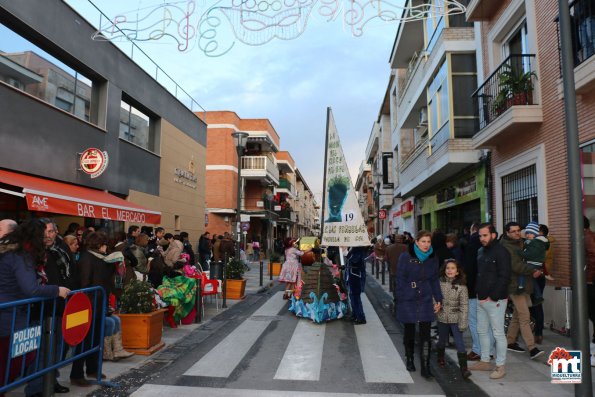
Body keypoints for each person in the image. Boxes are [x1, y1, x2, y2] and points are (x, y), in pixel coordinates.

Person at [0, 220, 70, 395]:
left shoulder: (14, 252)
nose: (46, 238)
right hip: (11, 315)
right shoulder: (20, 255)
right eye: (42, 235)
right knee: (17, 359)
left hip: (12, 313)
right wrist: (56, 290)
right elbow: (30, 288)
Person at [396, 230, 443, 378]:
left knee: (425, 333)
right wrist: (401, 297)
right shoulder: (405, 256)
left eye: (428, 242)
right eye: (423, 241)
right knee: (409, 331)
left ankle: (426, 366)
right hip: (408, 298)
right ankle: (409, 359)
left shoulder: (433, 257)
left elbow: (434, 279)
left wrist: (439, 298)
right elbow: (400, 279)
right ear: (416, 242)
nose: (426, 245)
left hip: (425, 298)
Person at [469, 223, 511, 380]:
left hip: (495, 300)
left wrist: (493, 296)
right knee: (481, 331)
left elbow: (505, 276)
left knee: (498, 333)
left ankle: (500, 366)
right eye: (480, 235)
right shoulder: (480, 251)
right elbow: (480, 274)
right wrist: (478, 294)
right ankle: (485, 361)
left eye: (485, 235)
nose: (482, 238)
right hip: (481, 298)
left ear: (493, 235)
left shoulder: (502, 252)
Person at [500, 222, 544, 360]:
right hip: (514, 286)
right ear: (507, 233)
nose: (517, 233)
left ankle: (510, 341)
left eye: (518, 230)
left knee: (518, 315)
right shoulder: (507, 247)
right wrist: (532, 270)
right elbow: (516, 266)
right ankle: (532, 348)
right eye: (513, 231)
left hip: (524, 284)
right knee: (525, 316)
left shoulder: (521, 243)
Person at [463, 223, 495, 361]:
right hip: (490, 290)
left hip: (475, 290)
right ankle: (491, 350)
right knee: (488, 322)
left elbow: (470, 269)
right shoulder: (493, 247)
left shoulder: (472, 245)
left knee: (474, 320)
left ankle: (478, 349)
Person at [435, 259, 471, 379]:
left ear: (457, 272)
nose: (450, 270)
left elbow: (464, 306)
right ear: (444, 270)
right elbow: (434, 297)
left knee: (459, 342)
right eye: (447, 268)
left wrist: (463, 322)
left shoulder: (462, 287)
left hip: (456, 318)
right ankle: (440, 357)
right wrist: (435, 305)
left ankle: (464, 368)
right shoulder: (439, 283)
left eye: (453, 268)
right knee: (442, 339)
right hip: (442, 316)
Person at [518, 221, 549, 305]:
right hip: (536, 270)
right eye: (527, 233)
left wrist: (541, 271)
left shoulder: (538, 243)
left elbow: (542, 258)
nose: (527, 235)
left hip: (538, 270)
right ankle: (538, 296)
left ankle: (521, 287)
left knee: (536, 307)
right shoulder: (533, 242)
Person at [385, 234, 407, 313]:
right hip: (405, 272)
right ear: (401, 239)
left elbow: (386, 259)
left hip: (393, 271)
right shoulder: (406, 247)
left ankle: (396, 300)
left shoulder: (388, 248)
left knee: (395, 287)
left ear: (394, 239)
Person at [346, 246, 368, 324]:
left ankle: (361, 318)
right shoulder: (352, 248)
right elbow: (349, 258)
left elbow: (355, 261)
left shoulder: (358, 249)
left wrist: (347, 255)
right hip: (351, 277)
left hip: (356, 277)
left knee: (356, 298)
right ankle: (355, 314)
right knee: (352, 297)